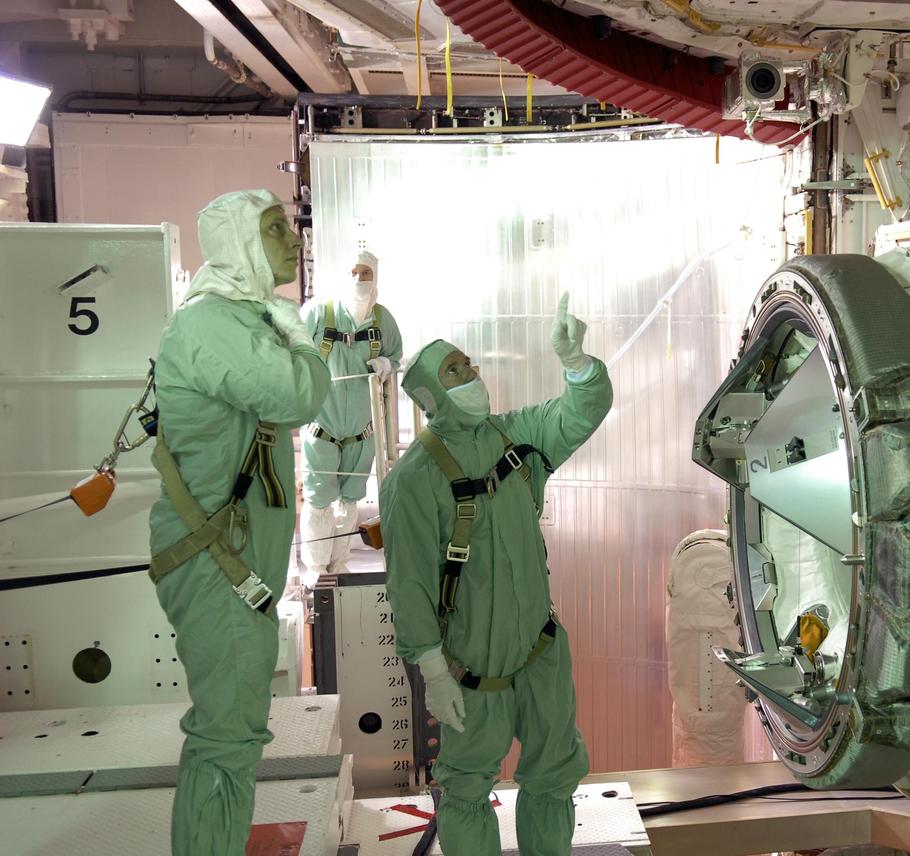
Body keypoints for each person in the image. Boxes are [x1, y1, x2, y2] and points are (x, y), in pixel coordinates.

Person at [381, 293, 612, 856]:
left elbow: (580, 412)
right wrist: (432, 670)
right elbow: (409, 585)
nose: (471, 374)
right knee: (465, 789)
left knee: (554, 774)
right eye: (455, 371)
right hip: (471, 671)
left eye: (469, 364)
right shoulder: (412, 480)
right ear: (430, 396)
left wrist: (577, 364)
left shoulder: (517, 438)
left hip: (540, 651)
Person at [148, 189, 328, 856]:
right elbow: (298, 394)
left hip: (233, 559)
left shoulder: (244, 319)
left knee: (236, 731)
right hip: (217, 561)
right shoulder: (212, 324)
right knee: (227, 737)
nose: (292, 238)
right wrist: (302, 338)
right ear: (238, 243)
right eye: (274, 227)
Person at [299, 250, 403, 579]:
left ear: (376, 277)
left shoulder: (383, 320)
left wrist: (385, 364)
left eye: (366, 273)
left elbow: (396, 356)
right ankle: (317, 569)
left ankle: (339, 564)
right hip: (321, 427)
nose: (360, 279)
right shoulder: (319, 313)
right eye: (354, 272)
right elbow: (291, 349)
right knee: (319, 499)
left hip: (362, 431)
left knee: (350, 499)